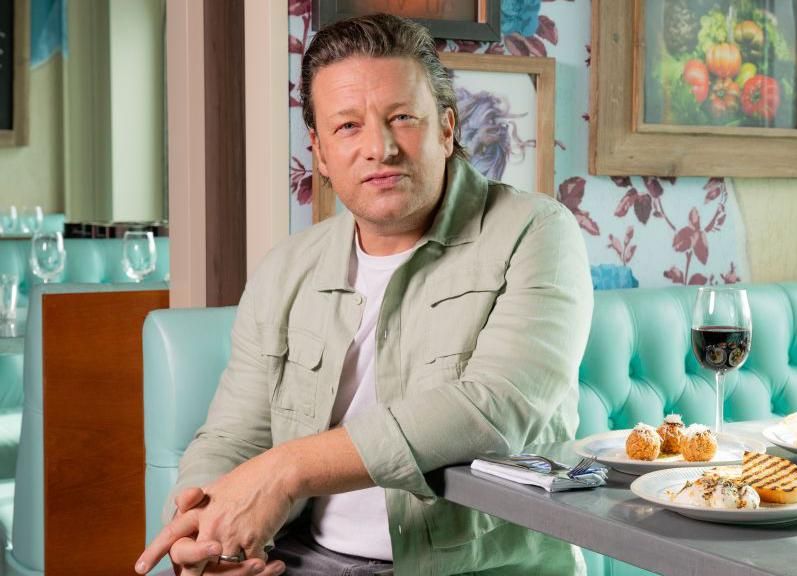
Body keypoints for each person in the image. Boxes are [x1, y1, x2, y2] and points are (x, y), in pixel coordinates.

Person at [134, 13, 593, 576]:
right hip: (301, 559)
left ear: (446, 128)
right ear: (320, 152)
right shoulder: (286, 268)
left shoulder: (537, 231)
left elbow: (495, 408)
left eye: (402, 118)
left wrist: (286, 471)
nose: (380, 147)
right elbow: (234, 436)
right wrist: (203, 536)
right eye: (348, 126)